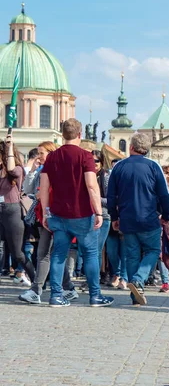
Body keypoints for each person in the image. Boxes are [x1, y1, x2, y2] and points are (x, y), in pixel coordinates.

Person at [40, 119, 114, 307]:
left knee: (58, 255)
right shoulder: (85, 156)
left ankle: (56, 295)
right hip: (81, 214)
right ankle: (95, 296)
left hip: (58, 214)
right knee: (90, 254)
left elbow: (44, 187)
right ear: (80, 134)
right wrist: (98, 212)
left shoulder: (52, 157)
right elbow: (91, 185)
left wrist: (46, 212)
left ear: (62, 134)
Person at [107, 132, 169, 306]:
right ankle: (138, 279)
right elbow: (164, 195)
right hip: (149, 218)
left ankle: (136, 297)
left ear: (131, 147)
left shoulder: (118, 167)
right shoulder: (154, 166)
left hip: (127, 219)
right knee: (152, 251)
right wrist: (166, 215)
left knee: (132, 256)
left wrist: (114, 216)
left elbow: (111, 196)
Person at [19, 141, 77, 304]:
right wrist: (31, 171)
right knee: (52, 255)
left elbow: (58, 192)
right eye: (37, 153)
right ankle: (69, 288)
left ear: (51, 153)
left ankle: (36, 290)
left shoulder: (57, 170)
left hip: (53, 215)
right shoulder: (41, 170)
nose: (39, 156)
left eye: (41, 153)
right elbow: (28, 189)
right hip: (43, 215)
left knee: (44, 254)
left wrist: (42, 195)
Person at [0, 132, 36, 286]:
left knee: (18, 253)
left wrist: (9, 148)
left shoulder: (18, 170)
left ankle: (36, 280)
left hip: (12, 211)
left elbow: (11, 168)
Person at [91, 151, 110, 278]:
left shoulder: (106, 177)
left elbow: (111, 200)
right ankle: (92, 277)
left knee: (96, 249)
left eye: (96, 161)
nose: (93, 163)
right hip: (87, 216)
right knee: (89, 250)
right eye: (91, 161)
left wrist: (94, 198)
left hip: (103, 217)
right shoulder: (87, 175)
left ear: (102, 163)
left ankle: (94, 278)